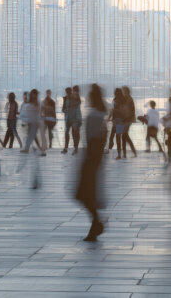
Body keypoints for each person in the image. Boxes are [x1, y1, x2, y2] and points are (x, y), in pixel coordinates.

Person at [77, 84, 108, 242]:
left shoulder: (94, 115)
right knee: (86, 194)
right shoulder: (99, 114)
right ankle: (96, 224)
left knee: (83, 194)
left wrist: (89, 160)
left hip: (91, 159)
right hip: (94, 159)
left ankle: (96, 223)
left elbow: (94, 141)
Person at [62, 88, 82, 155]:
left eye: (69, 93)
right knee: (67, 133)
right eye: (67, 92)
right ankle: (66, 148)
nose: (68, 94)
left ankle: (75, 147)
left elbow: (78, 106)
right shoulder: (65, 99)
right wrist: (65, 110)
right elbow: (63, 108)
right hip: (68, 118)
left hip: (75, 118)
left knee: (74, 133)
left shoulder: (76, 99)